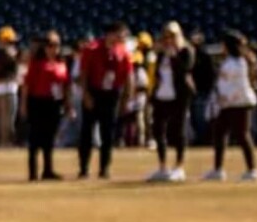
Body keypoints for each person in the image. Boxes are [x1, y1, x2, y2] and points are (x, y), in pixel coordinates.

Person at [76, 22, 133, 180]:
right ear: (110, 34)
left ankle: (104, 168)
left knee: (107, 134)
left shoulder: (123, 52)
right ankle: (83, 168)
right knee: (87, 132)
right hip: (94, 92)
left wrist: (126, 99)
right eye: (119, 34)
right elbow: (84, 74)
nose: (122, 38)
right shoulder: (92, 49)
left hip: (111, 94)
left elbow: (128, 77)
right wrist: (86, 95)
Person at [204, 32, 257, 182]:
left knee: (242, 135)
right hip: (228, 103)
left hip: (238, 103)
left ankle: (252, 170)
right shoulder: (231, 61)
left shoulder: (238, 62)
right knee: (220, 134)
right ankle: (218, 169)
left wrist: (227, 98)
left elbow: (238, 85)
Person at [146, 22, 195, 182]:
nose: (168, 40)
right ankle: (162, 166)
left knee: (178, 130)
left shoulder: (186, 51)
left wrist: (174, 57)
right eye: (166, 36)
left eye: (172, 36)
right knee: (158, 130)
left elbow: (185, 69)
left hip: (179, 95)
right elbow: (157, 73)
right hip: (162, 95)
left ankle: (179, 166)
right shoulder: (162, 54)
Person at [21, 32, 69, 182]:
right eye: (50, 45)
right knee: (35, 138)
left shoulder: (61, 64)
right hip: (38, 102)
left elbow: (65, 86)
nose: (53, 49)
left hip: (54, 103)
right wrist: (24, 105)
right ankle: (33, 171)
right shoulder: (36, 64)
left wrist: (67, 103)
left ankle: (48, 169)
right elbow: (27, 86)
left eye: (56, 45)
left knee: (49, 138)